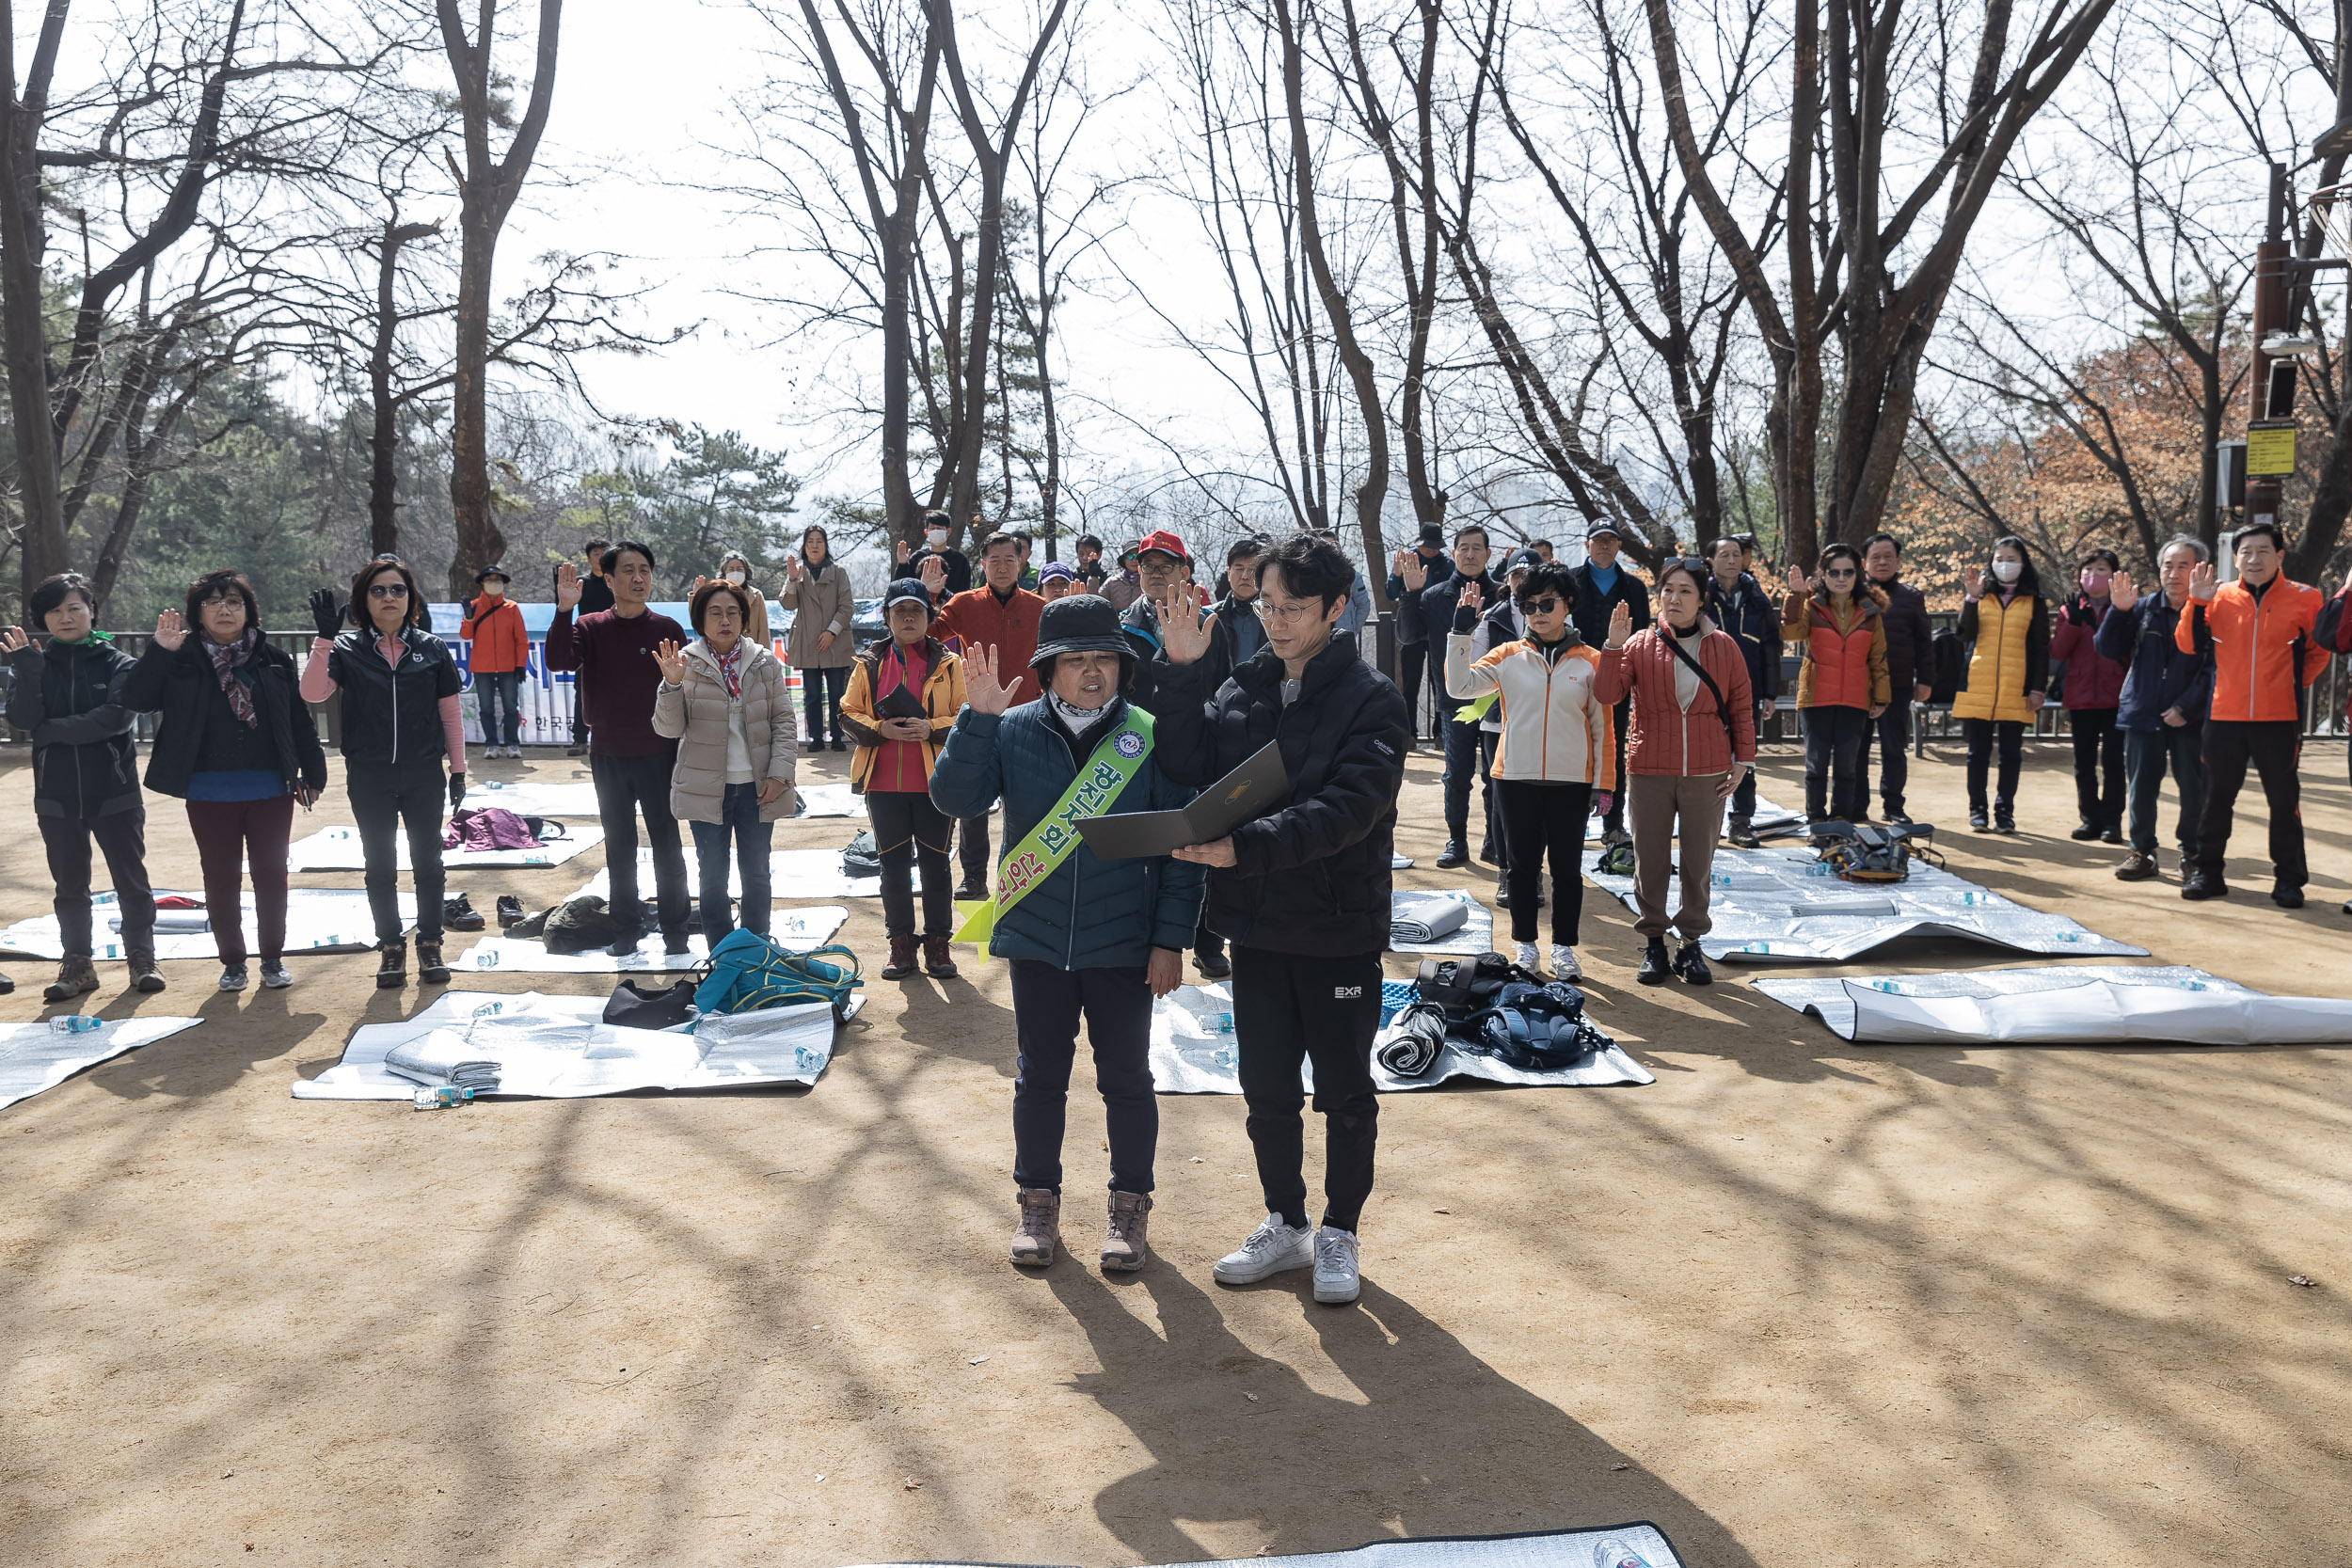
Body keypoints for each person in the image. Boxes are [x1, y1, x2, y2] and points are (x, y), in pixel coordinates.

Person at [1153, 531, 1408, 1307]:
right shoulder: (1241, 686)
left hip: (1336, 928)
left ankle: (1338, 1230)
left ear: (1337, 608)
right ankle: (1286, 1220)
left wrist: (1241, 849)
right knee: (1264, 1085)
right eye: (1265, 604)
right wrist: (1185, 668)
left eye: (1293, 607)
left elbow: (1348, 812)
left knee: (1342, 1091)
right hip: (1256, 930)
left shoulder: (1374, 699)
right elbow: (1191, 768)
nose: (1275, 620)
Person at [929, 595, 1204, 1271]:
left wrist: (1170, 940)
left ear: (1122, 666)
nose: (1091, 673)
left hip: (1125, 942)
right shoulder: (1012, 727)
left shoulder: (1150, 733)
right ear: (1048, 669)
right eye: (1075, 659)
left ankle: (1130, 1206)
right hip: (1037, 939)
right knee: (1040, 1077)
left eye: (1104, 658)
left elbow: (1182, 845)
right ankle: (1037, 1202)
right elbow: (953, 800)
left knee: (1128, 1080)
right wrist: (977, 718)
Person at [122, 569, 326, 992]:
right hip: (208, 787)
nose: (224, 609)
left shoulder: (273, 657)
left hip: (271, 785)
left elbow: (297, 721)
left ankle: (272, 957)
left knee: (272, 873)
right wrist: (159, 652)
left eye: (233, 601)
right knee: (220, 875)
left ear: (248, 610)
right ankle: (233, 961)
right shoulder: (181, 656)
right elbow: (137, 700)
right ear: (198, 613)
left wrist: (313, 770)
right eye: (213, 602)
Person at [300, 557, 468, 989]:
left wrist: (459, 770)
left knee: (428, 861)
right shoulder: (346, 649)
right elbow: (312, 693)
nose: (389, 597)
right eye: (379, 590)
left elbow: (450, 713)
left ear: (410, 598)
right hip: (369, 773)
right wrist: (323, 637)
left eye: (398, 590)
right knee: (379, 864)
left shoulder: (431, 648)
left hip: (424, 772)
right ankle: (391, 948)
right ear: (364, 600)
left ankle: (430, 944)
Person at [1446, 560, 1613, 979]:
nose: (1538, 611)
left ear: (1567, 604)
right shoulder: (1507, 656)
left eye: (1547, 602)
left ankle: (1564, 950)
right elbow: (1459, 686)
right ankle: (1525, 947)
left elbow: (1601, 727)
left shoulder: (1591, 661)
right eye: (1529, 605)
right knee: (1520, 869)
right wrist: (1460, 632)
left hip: (1571, 782)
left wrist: (1603, 783)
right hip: (1514, 778)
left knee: (1567, 871)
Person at [1597, 558, 1756, 986]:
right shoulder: (1638, 644)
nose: (1675, 598)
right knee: (1650, 859)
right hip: (1649, 767)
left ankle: (1690, 943)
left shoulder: (1723, 646)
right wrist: (1613, 646)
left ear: (1702, 598)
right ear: (1658, 596)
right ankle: (1653, 942)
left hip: (1709, 770)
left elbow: (1741, 705)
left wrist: (1744, 761)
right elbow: (1607, 694)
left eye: (1685, 591)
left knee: (1698, 861)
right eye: (1668, 590)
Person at [5, 573, 162, 999]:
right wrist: (29, 672)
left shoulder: (118, 663)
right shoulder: (33, 662)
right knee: (69, 886)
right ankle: (77, 965)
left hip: (114, 790)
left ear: (92, 610)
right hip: (55, 796)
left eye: (74, 607)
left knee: (131, 880)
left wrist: (51, 730)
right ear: (44, 618)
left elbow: (115, 718)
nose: (65, 617)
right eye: (55, 610)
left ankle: (141, 958)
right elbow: (21, 720)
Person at [548, 541, 694, 955]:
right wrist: (564, 609)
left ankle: (676, 934)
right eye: (628, 570)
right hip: (609, 754)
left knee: (668, 845)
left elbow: (683, 690)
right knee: (620, 846)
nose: (638, 578)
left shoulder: (667, 629)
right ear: (608, 579)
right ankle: (625, 933)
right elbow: (559, 660)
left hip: (659, 753)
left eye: (644, 569)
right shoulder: (590, 626)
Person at [2176, 522, 2325, 905]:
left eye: (2262, 551)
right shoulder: (2219, 596)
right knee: (2215, 799)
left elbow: (2318, 650)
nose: (2253, 559)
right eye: (2245, 552)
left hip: (2279, 719)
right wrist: (2196, 602)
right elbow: (2189, 645)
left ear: (2279, 556)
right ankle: (2206, 873)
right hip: (2224, 716)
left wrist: (2290, 685)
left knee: (2283, 801)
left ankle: (2289, 880)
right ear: (2235, 557)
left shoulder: (2306, 598)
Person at [652, 578, 799, 943]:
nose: (725, 620)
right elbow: (668, 729)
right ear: (700, 620)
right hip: (706, 789)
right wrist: (671, 685)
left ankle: (755, 947)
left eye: (733, 612)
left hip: (758, 787)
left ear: (744, 619)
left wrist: (780, 774)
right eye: (715, 613)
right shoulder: (685, 663)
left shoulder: (764, 662)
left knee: (756, 873)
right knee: (713, 877)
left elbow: (784, 720)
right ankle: (721, 953)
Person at [843, 579, 967, 978]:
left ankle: (938, 946)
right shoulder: (868, 664)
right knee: (892, 868)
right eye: (900, 611)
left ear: (930, 618)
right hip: (882, 784)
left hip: (936, 783)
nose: (909, 617)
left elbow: (966, 716)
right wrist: (883, 730)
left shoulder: (950, 663)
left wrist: (929, 727)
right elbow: (848, 713)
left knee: (936, 867)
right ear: (887, 617)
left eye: (917, 610)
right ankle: (900, 945)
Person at [933, 532, 1047, 901]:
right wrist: (929, 597)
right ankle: (974, 878)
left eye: (1009, 560)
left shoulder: (1039, 607)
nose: (1002, 566)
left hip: (1028, 716)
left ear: (1021, 563)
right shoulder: (964, 604)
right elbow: (928, 635)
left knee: (1029, 801)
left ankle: (1026, 877)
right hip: (980, 716)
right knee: (973, 804)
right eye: (994, 559)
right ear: (982, 564)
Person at [2097, 538, 2212, 884]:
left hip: (2189, 718)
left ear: (2200, 570)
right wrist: (2117, 612)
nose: (2174, 573)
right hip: (2143, 712)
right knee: (2141, 787)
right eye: (2168, 565)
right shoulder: (2141, 607)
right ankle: (2142, 851)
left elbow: (2215, 667)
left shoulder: (2211, 612)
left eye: (2183, 566)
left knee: (2194, 789)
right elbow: (2106, 649)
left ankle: (2192, 854)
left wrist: (2186, 707)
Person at [1781, 545, 1889, 827]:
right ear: (1824, 575)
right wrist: (1794, 595)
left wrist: (1880, 697)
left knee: (1847, 767)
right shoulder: (1811, 605)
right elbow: (1789, 632)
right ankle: (1816, 817)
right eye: (1834, 572)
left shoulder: (1870, 612)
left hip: (1854, 700)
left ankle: (1842, 817)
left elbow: (1878, 657)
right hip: (1816, 698)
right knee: (1816, 765)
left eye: (1848, 572)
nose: (1841, 577)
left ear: (1858, 574)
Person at [1952, 536, 2050, 832]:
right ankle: (1977, 810)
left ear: (2023, 564)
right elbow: (1964, 634)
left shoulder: (2035, 601)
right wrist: (1970, 598)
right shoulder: (1981, 595)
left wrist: (2037, 688)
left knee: (2011, 754)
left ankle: (2004, 811)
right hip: (1977, 684)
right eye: (1999, 559)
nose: (2004, 564)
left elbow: (2041, 648)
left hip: (2016, 687)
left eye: (2011, 559)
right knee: (1976, 753)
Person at [1567, 521, 1651, 844]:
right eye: (1598, 540)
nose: (1604, 546)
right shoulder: (1570, 582)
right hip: (1573, 677)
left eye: (1610, 541)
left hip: (1619, 681)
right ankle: (1573, 820)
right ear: (1586, 545)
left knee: (1613, 750)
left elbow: (1642, 636)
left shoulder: (1634, 587)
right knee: (1575, 749)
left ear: (1618, 546)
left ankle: (1612, 823)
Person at [1420, 524, 1498, 869]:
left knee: (1497, 774)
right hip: (1455, 701)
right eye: (1463, 548)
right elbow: (1407, 637)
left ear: (1488, 555)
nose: (1469, 554)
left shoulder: (1503, 597)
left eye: (1476, 548)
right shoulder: (1435, 596)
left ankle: (1494, 840)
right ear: (1453, 554)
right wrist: (1409, 594)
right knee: (1457, 774)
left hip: (1500, 701)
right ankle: (1457, 839)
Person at [2049, 547, 2131, 843]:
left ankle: (2112, 821)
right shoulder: (2070, 610)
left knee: (2113, 763)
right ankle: (2089, 819)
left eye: (2101, 569)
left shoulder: (2126, 607)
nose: (2093, 576)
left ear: (2114, 575)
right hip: (2080, 695)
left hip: (2116, 697)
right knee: (2083, 762)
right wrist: (2071, 623)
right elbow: (2058, 651)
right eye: (2088, 570)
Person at [1704, 537, 1780, 847]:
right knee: (1705, 755)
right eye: (1724, 555)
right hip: (1706, 689)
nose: (1732, 560)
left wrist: (1771, 693)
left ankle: (1741, 820)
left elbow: (1771, 647)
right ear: (1711, 560)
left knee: (1745, 756)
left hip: (1746, 688)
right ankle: (1705, 820)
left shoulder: (1757, 597)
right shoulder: (1700, 595)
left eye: (1737, 554)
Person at [1856, 532, 1932, 824]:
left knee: (1893, 749)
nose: (1882, 562)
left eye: (1889, 556)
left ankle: (1893, 806)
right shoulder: (1852, 595)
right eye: (1876, 557)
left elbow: (1924, 643)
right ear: (1864, 562)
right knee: (1857, 749)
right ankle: (1857, 805)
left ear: (1899, 561)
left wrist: (1925, 680)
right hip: (1858, 685)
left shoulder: (1911, 597)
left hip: (1897, 686)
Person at [780, 523, 856, 753]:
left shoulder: (838, 571)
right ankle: (815, 737)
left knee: (837, 693)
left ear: (826, 545)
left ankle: (837, 736)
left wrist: (831, 632)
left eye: (819, 541)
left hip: (835, 642)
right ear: (804, 546)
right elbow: (787, 603)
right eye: (810, 541)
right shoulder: (798, 572)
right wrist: (792, 580)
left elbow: (847, 606)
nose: (814, 546)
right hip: (808, 644)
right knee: (811, 694)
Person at [1113, 530, 1199, 716]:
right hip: (1138, 736)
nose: (1156, 574)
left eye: (1166, 566)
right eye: (1149, 567)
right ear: (1139, 571)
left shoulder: (1207, 624)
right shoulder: (1122, 628)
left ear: (1184, 572)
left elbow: (1221, 687)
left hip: (1198, 731)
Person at [1386, 522, 1454, 743]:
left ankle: (1441, 731)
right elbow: (1391, 593)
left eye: (1436, 546)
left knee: (1440, 683)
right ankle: (1409, 733)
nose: (1432, 550)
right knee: (1410, 683)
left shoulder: (1446, 564)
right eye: (1428, 545)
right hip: (1413, 627)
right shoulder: (1408, 560)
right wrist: (1397, 576)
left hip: (1438, 628)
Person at [460, 565, 529, 758]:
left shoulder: (512, 608)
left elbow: (521, 640)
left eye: (498, 580)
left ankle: (512, 744)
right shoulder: (473, 606)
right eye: (490, 579)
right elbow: (466, 635)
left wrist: (521, 664)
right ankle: (491, 744)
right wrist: (468, 617)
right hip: (482, 666)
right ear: (482, 583)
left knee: (510, 707)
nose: (494, 583)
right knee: (486, 708)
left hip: (508, 666)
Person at [564, 538, 616, 756]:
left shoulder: (616, 582)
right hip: (587, 645)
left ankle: (613, 737)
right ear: (588, 558)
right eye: (596, 552)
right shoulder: (581, 584)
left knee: (616, 692)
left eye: (605, 551)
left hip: (615, 645)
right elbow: (564, 608)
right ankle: (580, 740)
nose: (600, 555)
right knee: (583, 694)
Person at [702, 550, 772, 647]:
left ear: (745, 571)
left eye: (739, 569)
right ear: (724, 572)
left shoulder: (756, 595)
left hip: (751, 652)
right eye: (731, 569)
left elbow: (763, 629)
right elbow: (700, 620)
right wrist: (697, 595)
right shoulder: (713, 595)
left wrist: (764, 656)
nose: (735, 573)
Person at [900, 509, 974, 595]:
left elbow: (964, 592)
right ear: (926, 532)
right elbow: (902, 587)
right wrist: (902, 565)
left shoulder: (960, 560)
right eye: (932, 528)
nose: (936, 531)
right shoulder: (917, 557)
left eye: (939, 528)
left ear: (948, 531)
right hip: (921, 607)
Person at [1103, 542, 1143, 612]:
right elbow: (1095, 604)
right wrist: (1094, 576)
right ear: (1124, 560)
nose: (1134, 560)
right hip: (1115, 622)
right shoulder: (1111, 582)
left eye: (1137, 556)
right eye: (1130, 556)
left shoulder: (1149, 582)